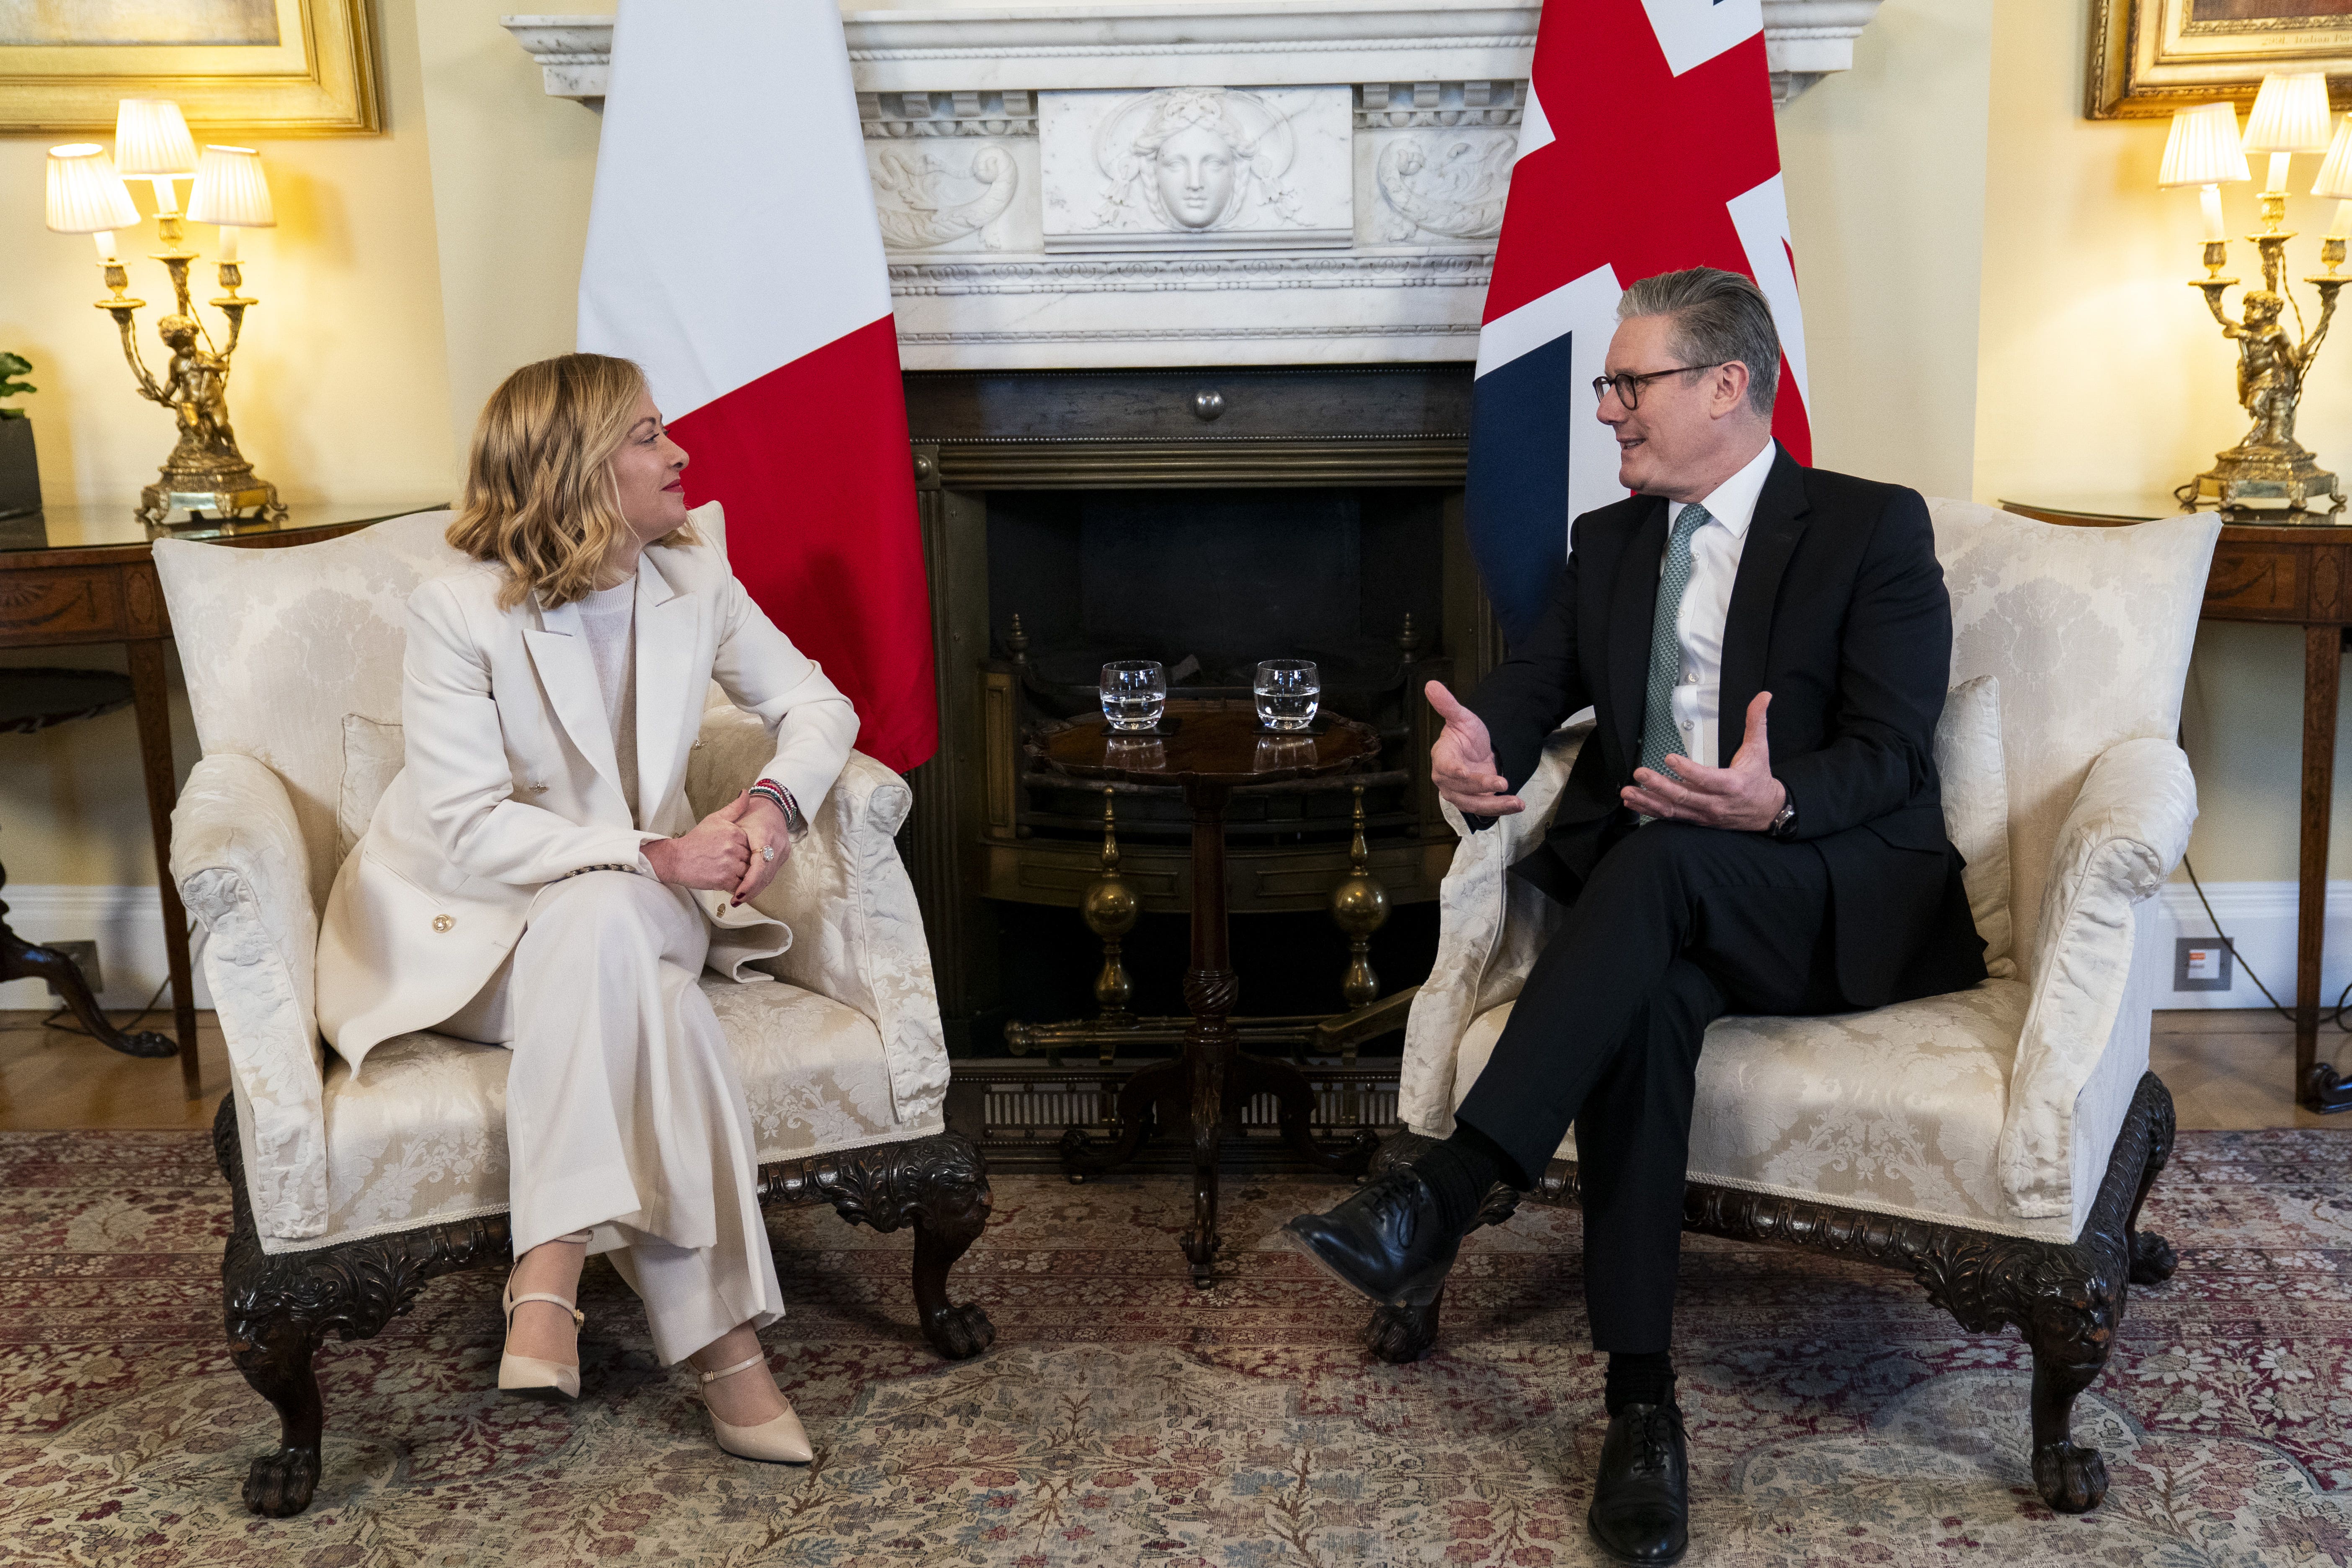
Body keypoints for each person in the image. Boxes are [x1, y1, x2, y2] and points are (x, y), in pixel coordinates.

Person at [1285, 267, 1986, 1565]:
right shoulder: (1607, 545)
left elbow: (1893, 754)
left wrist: (1774, 799)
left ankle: (1451, 1185)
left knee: (1655, 866)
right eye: (1610, 384)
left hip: (1823, 883)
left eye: (1629, 382)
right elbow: (1534, 678)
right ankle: (1640, 1406)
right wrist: (1476, 747)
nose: (1606, 408)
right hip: (1659, 909)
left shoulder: (1868, 529)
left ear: (1727, 387)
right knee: (1647, 998)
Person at [316, 352, 861, 1465]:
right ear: (577, 465)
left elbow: (817, 704)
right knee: (655, 1004)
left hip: (638, 902)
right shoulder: (457, 610)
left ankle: (547, 1269)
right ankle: (728, 1358)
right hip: (478, 930)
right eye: (650, 434)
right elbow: (469, 826)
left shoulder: (692, 580)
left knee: (609, 919)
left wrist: (766, 805)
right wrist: (656, 851)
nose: (682, 453)